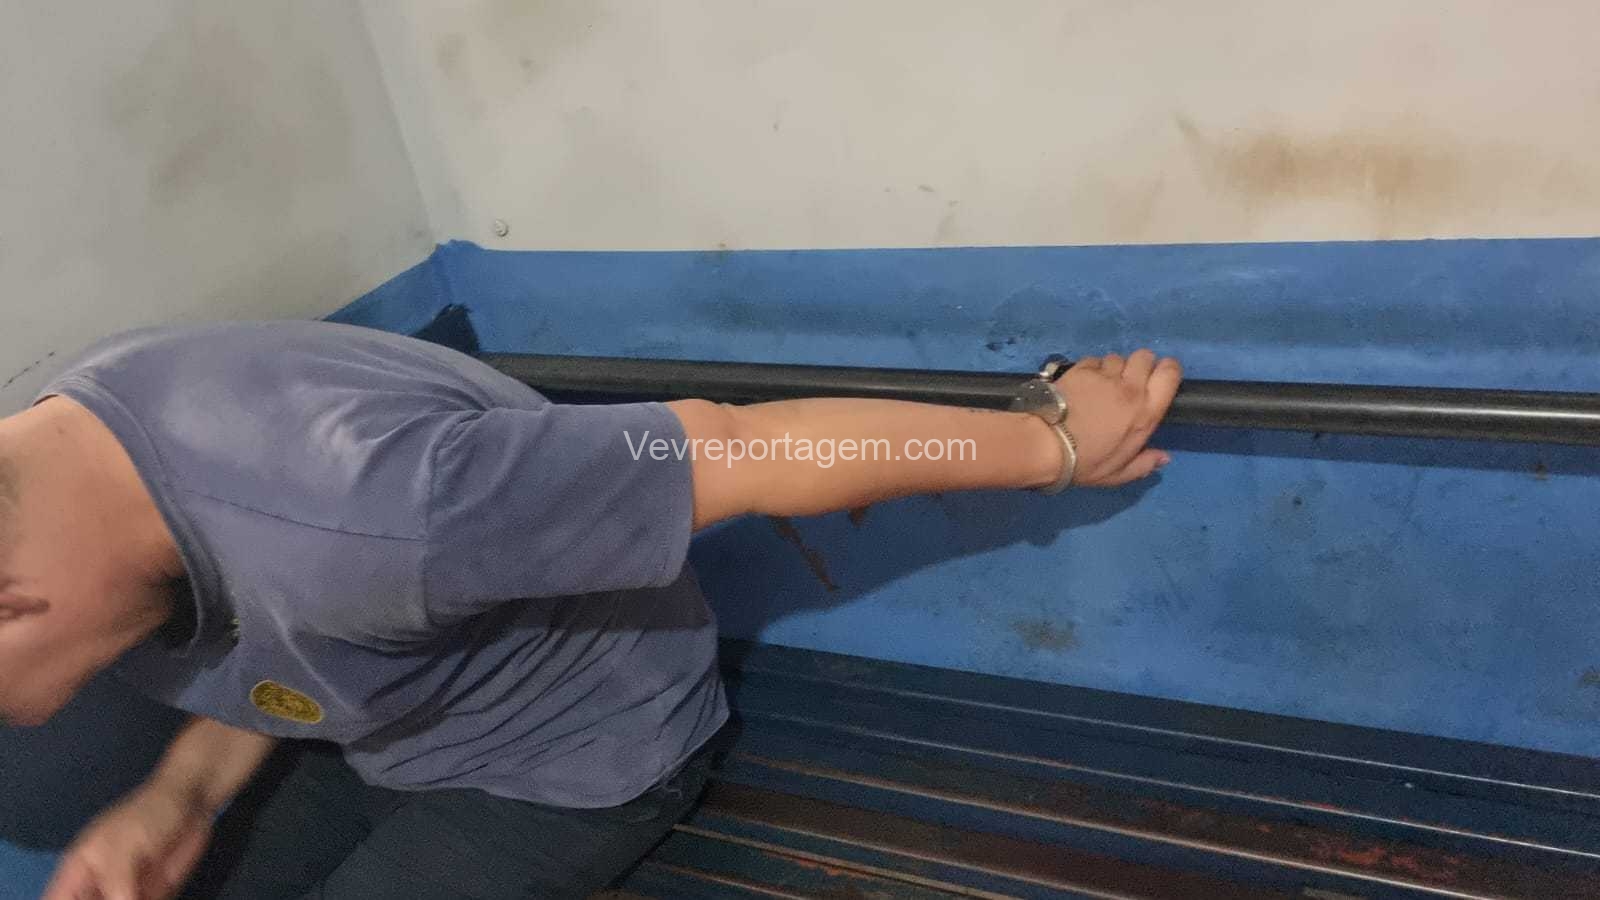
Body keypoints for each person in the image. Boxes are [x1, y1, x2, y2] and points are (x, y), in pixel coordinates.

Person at [0, 320, 1181, 899]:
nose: (18, 725)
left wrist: (1055, 443)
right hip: (381, 726)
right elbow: (274, 624)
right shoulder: (73, 443)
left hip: (569, 760)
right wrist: (177, 796)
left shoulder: (383, 507)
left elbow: (742, 449)